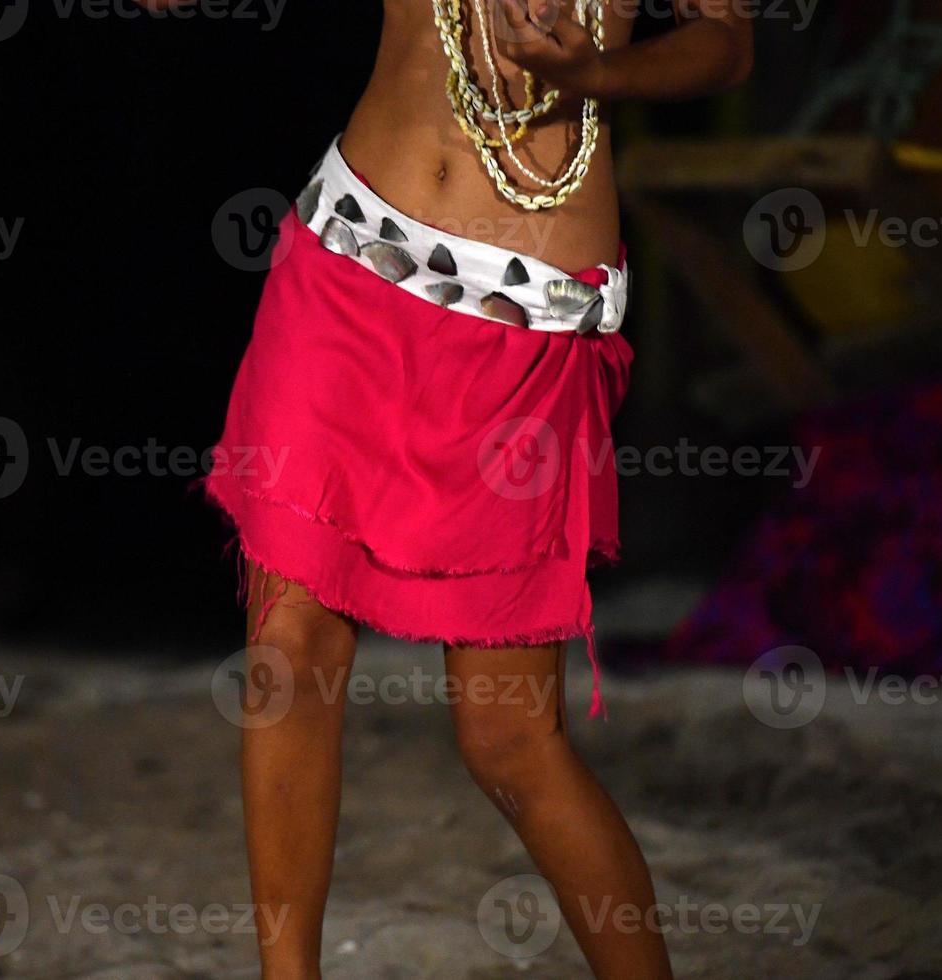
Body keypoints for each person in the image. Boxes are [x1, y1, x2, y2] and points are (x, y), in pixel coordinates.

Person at [193, 0, 753, 976]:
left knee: (508, 739)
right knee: (290, 648)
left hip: (524, 328)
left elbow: (727, 41)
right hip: (345, 265)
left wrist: (596, 77)